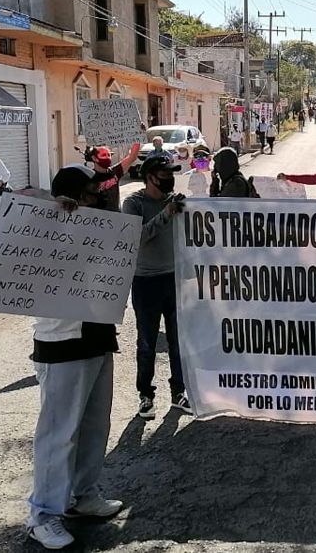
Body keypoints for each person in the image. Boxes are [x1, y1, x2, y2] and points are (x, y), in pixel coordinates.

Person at [26, 164, 123, 550]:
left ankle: (83, 496)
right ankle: (43, 514)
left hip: (98, 336)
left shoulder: (98, 226)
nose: (95, 197)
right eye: (87, 193)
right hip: (61, 341)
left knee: (94, 425)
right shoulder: (41, 228)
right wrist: (51, 211)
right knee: (58, 433)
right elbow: (19, 207)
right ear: (68, 196)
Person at [122, 156, 190, 420]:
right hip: (146, 281)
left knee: (177, 341)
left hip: (174, 279)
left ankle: (179, 392)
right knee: (147, 342)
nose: (169, 179)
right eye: (164, 174)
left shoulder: (175, 201)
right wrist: (166, 214)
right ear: (150, 177)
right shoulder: (134, 203)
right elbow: (136, 238)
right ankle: (146, 396)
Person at [84, 143, 140, 212]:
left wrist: (136, 138)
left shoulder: (115, 171)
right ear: (94, 158)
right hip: (95, 217)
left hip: (114, 216)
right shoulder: (88, 176)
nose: (107, 158)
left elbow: (132, 157)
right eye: (103, 155)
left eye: (109, 155)